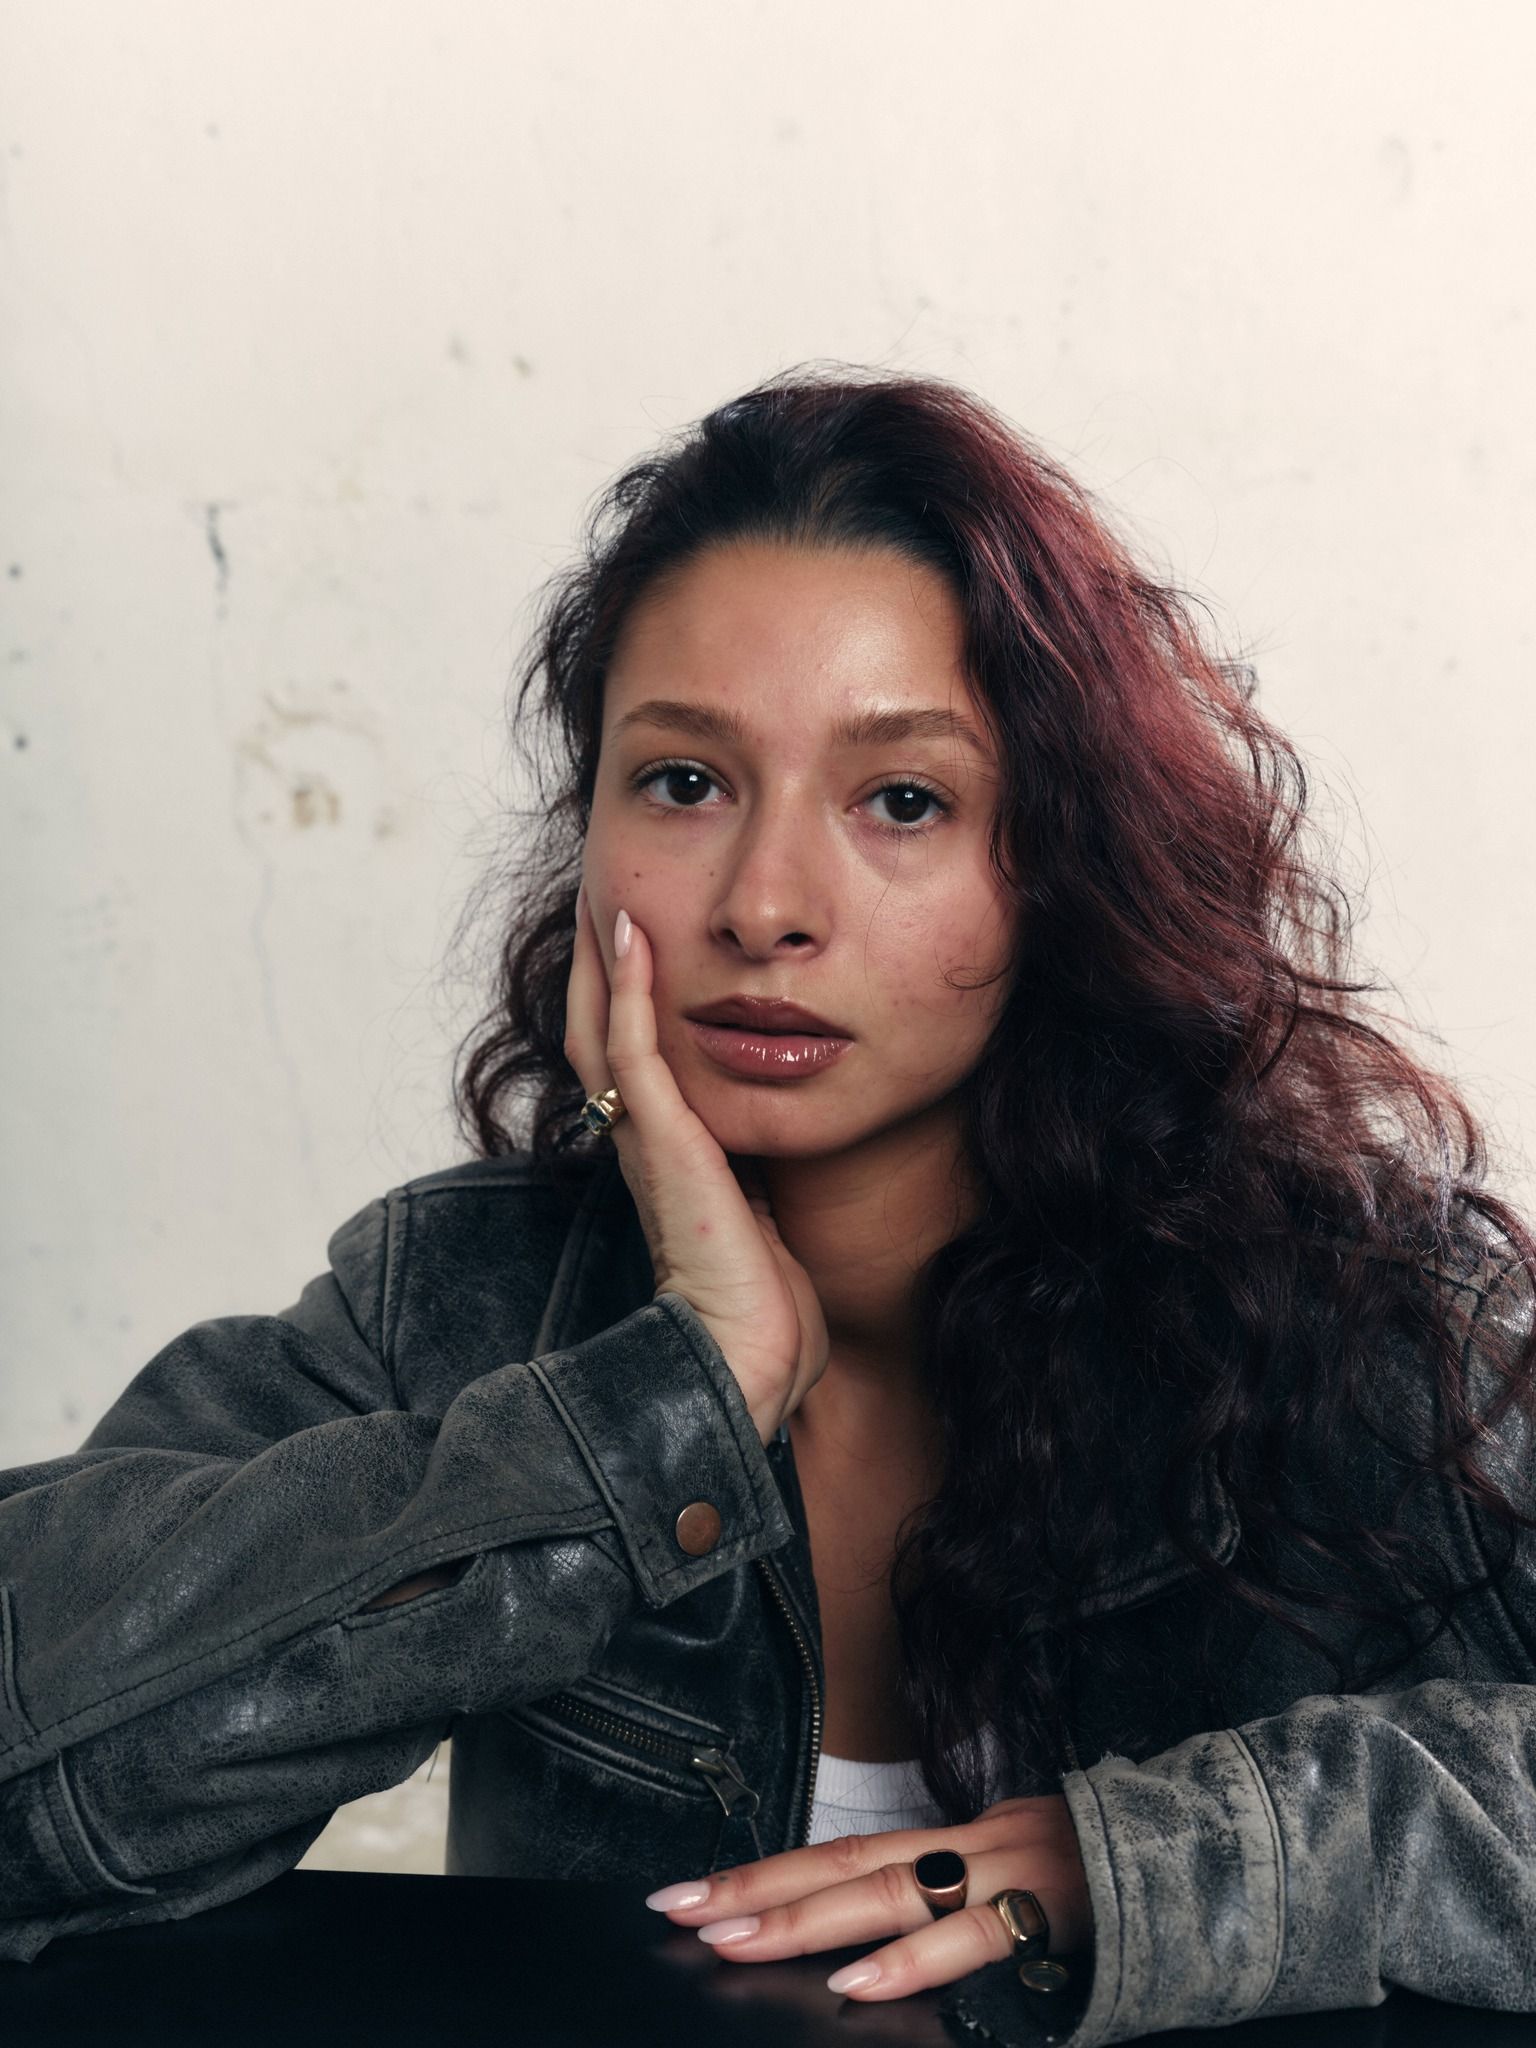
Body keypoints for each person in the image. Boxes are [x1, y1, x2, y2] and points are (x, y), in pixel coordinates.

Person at [3, 365, 1534, 2048]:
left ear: (1060, 865)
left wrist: (1171, 1867)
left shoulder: (1378, 1329)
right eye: (684, 782)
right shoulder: (466, 1303)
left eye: (904, 801)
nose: (765, 904)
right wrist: (663, 1412)